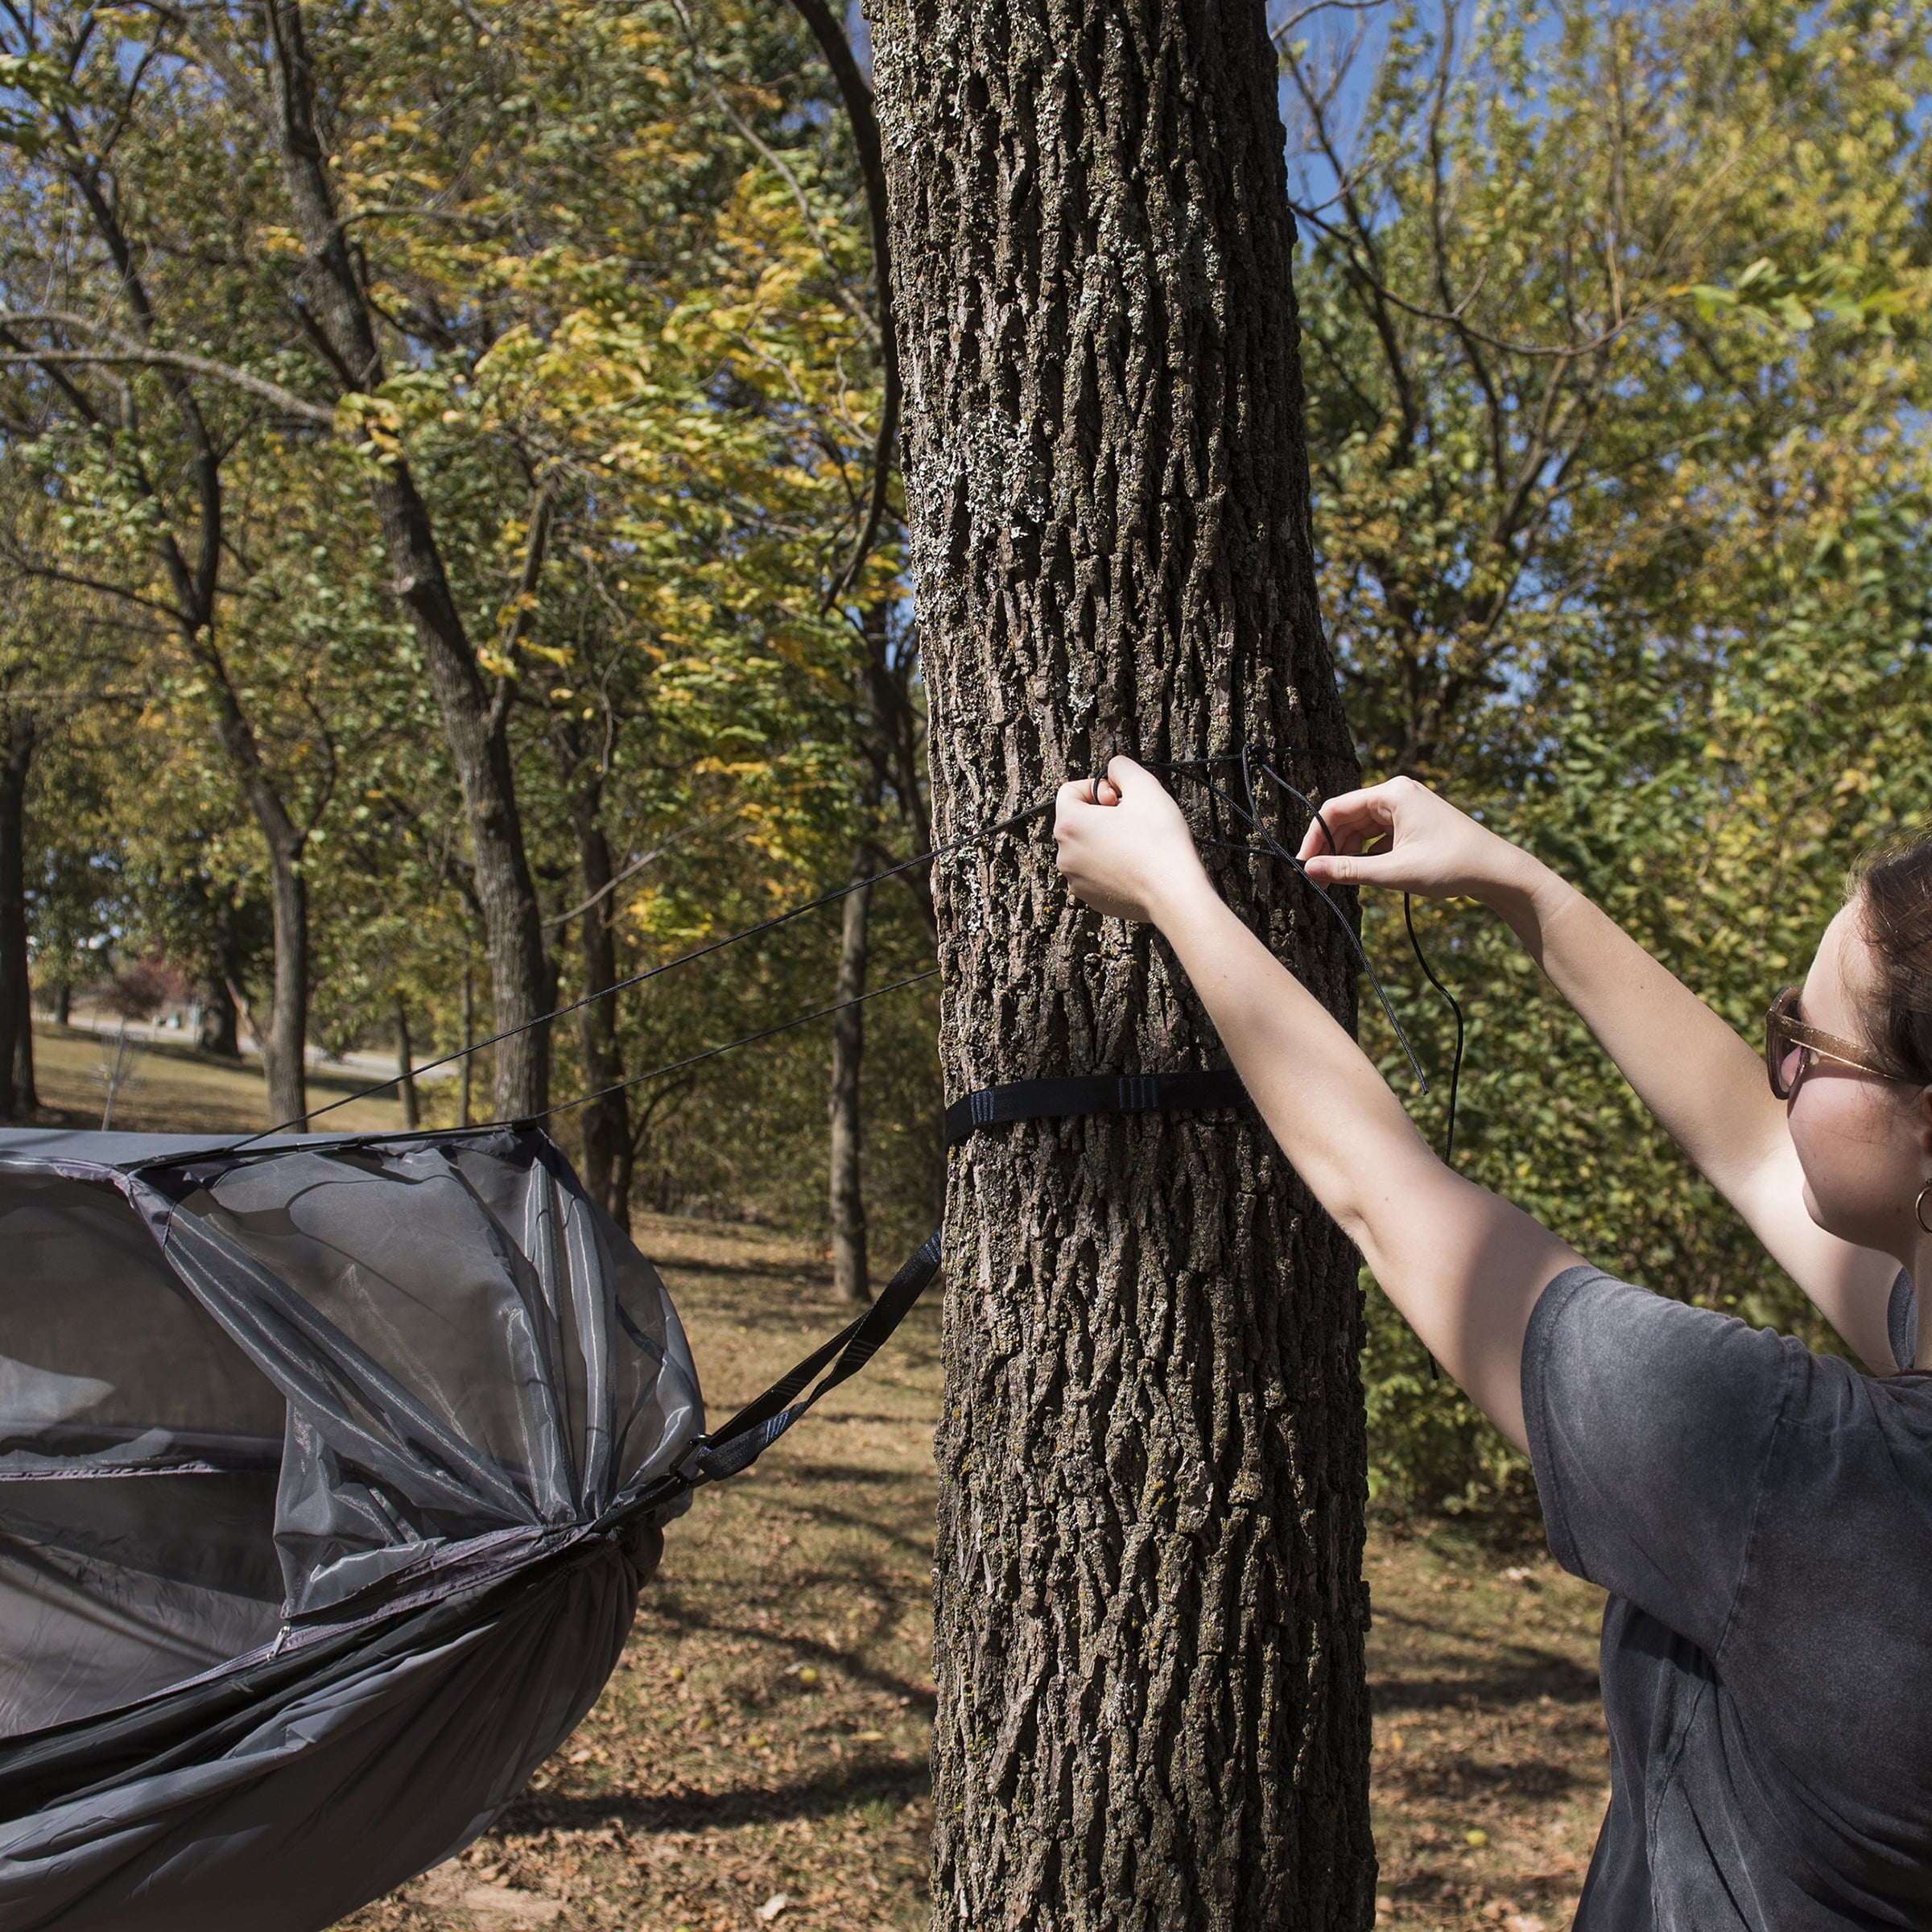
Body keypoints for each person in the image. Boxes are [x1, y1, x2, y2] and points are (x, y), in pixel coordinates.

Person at [1053, 758, 1932, 1932]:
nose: (1781, 1071)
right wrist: (1521, 888)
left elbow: (1385, 1192)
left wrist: (1171, 891)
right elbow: (1756, 1145)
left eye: (1809, 1046)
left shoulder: (1807, 1484)